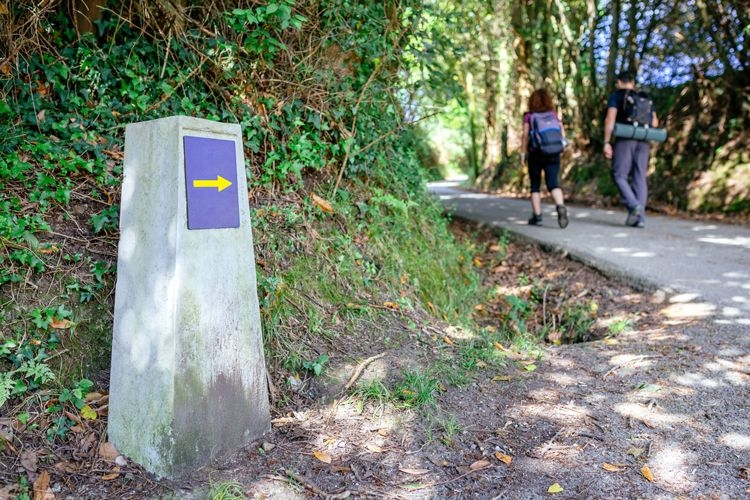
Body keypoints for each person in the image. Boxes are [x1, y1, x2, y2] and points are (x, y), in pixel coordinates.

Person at [603, 70, 659, 228]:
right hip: (644, 140)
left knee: (619, 174)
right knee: (639, 177)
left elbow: (610, 119)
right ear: (633, 83)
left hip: (625, 139)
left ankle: (634, 205)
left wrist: (606, 142)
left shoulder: (617, 96)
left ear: (619, 82)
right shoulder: (645, 97)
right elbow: (654, 122)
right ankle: (639, 218)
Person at [521, 88, 568, 228]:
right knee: (553, 183)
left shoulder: (529, 115)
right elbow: (561, 132)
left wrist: (523, 152)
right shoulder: (553, 114)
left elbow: (525, 135)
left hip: (536, 152)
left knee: (535, 185)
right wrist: (562, 145)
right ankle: (560, 206)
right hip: (553, 152)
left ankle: (537, 217)